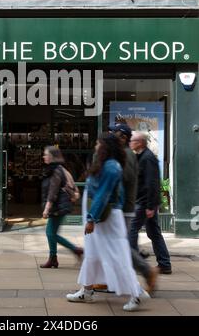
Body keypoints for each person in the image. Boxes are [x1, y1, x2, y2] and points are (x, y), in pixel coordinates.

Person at [66, 134, 150, 312]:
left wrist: (91, 218)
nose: (95, 145)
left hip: (107, 218)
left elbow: (103, 194)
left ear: (105, 146)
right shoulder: (106, 163)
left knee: (117, 255)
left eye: (98, 143)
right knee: (93, 254)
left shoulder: (111, 166)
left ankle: (136, 294)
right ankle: (86, 291)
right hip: (102, 216)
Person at [109, 124, 159, 292]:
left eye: (113, 133)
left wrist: (150, 205)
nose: (110, 135)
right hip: (125, 206)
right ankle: (108, 279)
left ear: (122, 137)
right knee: (115, 244)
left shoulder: (128, 155)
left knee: (120, 244)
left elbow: (128, 179)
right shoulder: (127, 154)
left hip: (125, 207)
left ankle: (146, 271)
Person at [129, 131, 172, 274]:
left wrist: (150, 206)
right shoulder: (142, 157)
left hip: (144, 202)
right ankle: (164, 264)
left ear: (140, 142)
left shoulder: (147, 158)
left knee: (132, 230)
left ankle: (136, 262)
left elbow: (152, 183)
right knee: (154, 232)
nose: (130, 143)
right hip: (146, 202)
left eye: (133, 141)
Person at [40, 146, 83, 268]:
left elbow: (53, 192)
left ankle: (76, 250)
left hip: (58, 206)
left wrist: (46, 209)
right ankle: (53, 259)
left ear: (52, 157)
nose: (44, 157)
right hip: (58, 206)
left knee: (51, 233)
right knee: (51, 232)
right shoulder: (54, 169)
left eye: (46, 154)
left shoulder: (56, 171)